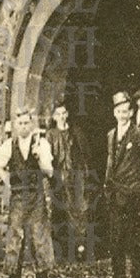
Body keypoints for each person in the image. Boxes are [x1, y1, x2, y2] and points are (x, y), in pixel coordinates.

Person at [0, 108, 54, 278]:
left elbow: (49, 171)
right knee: (15, 239)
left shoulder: (41, 143)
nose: (23, 127)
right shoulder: (10, 145)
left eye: (27, 123)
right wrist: (7, 180)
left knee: (39, 238)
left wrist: (39, 158)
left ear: (32, 124)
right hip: (18, 197)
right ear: (16, 126)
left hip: (36, 197)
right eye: (20, 124)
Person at [103, 91, 140, 278]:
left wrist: (138, 182)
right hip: (115, 195)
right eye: (119, 111)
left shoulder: (138, 134)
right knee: (116, 240)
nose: (122, 114)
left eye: (126, 111)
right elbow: (110, 162)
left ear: (131, 112)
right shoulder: (110, 135)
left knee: (137, 241)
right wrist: (107, 186)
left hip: (134, 197)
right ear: (114, 113)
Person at [45, 103, 91, 262]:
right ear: (54, 117)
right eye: (59, 114)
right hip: (58, 178)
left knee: (78, 211)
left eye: (64, 113)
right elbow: (47, 157)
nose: (62, 116)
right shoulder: (50, 135)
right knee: (58, 212)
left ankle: (80, 248)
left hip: (75, 177)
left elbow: (85, 155)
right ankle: (60, 251)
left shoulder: (76, 132)